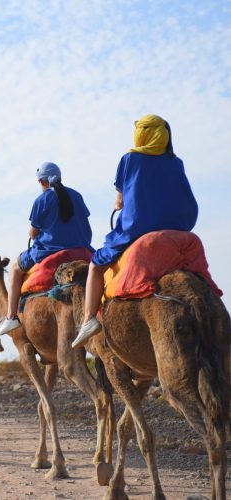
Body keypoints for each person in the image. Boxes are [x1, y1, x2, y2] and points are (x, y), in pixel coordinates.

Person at [72, 114, 198, 349]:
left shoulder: (130, 158)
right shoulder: (176, 161)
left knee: (95, 266)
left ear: (142, 133)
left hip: (139, 229)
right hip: (180, 228)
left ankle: (88, 319)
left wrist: (119, 204)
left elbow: (120, 200)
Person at [0, 162, 94, 336]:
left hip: (49, 251)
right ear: (60, 177)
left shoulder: (42, 199)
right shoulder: (77, 196)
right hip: (84, 250)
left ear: (41, 182)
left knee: (15, 269)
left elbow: (33, 234)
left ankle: (11, 316)